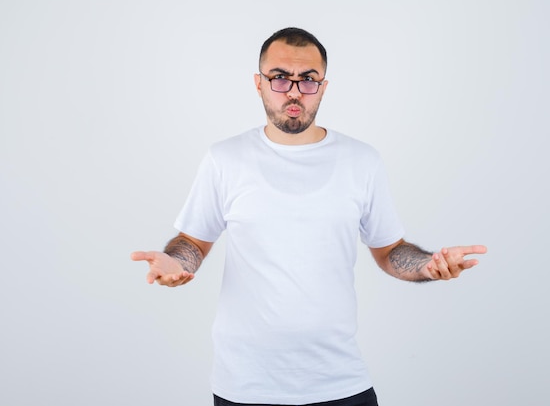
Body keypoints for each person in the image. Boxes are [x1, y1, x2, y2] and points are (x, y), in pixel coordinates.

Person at [131, 27, 487, 406]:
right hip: (245, 384)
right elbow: (194, 242)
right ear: (259, 83)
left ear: (323, 86)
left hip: (339, 381)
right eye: (280, 78)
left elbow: (390, 250)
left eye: (308, 80)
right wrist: (174, 260)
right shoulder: (225, 159)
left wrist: (428, 265)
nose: (295, 91)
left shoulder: (361, 161)